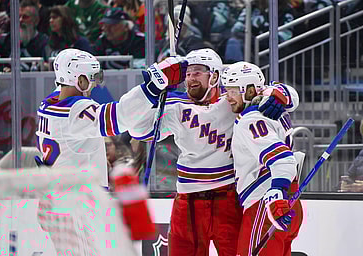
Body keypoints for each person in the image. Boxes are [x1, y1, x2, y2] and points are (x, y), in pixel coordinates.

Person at [128, 48, 299, 256]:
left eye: (198, 72)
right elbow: (137, 129)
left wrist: (281, 94)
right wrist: (153, 88)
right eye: (187, 73)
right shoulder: (174, 106)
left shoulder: (233, 101)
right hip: (188, 200)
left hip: (227, 198)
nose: (190, 77)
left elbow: (284, 96)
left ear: (215, 76)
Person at [35, 48, 188, 254]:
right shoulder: (73, 112)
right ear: (77, 80)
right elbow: (119, 118)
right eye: (90, 78)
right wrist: (152, 86)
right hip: (74, 206)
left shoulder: (49, 103)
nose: (95, 84)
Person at [221, 61, 303, 256]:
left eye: (232, 91)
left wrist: (276, 193)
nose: (228, 98)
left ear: (249, 90)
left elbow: (282, 159)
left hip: (265, 204)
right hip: (288, 200)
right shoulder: (275, 108)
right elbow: (287, 95)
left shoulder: (252, 119)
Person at [0, 0, 48, 72]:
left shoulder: (45, 42)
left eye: (25, 17)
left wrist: (45, 67)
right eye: (18, 17)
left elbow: (49, 66)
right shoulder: (3, 40)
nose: (20, 20)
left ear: (36, 21)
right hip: (6, 82)